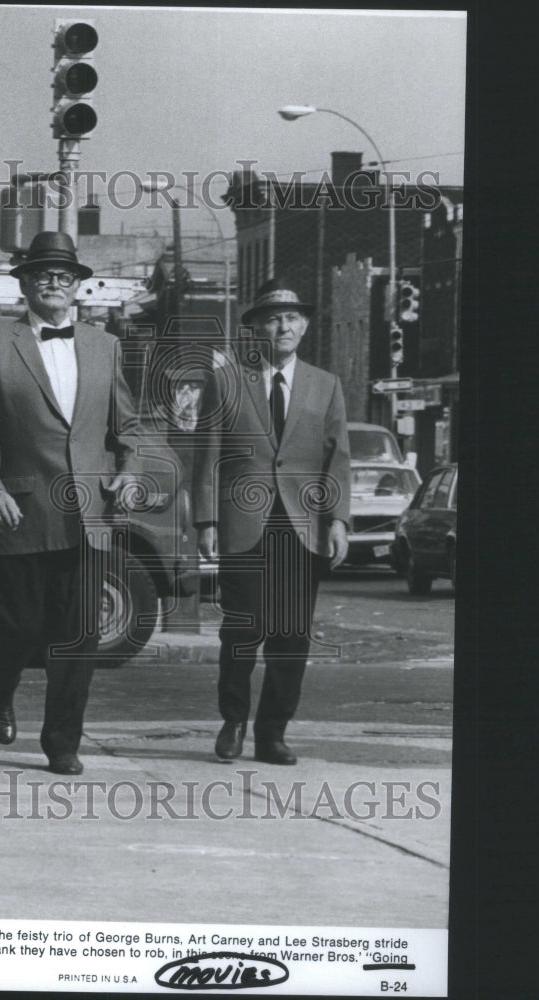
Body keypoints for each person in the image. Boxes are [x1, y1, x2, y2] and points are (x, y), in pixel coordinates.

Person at [0, 231, 141, 776]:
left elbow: (128, 428)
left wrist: (130, 474)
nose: (54, 284)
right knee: (20, 628)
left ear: (78, 287)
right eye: (43, 275)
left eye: (64, 277)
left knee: (80, 637)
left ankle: (62, 742)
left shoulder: (105, 345)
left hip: (89, 515)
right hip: (21, 512)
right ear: (23, 284)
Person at [194, 278, 351, 765]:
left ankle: (272, 734)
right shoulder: (227, 379)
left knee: (290, 637)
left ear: (303, 326)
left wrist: (339, 521)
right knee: (242, 630)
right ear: (256, 327)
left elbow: (337, 459)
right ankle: (234, 720)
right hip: (243, 523)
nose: (282, 326)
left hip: (303, 528)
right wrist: (205, 521)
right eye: (272, 318)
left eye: (291, 318)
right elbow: (208, 455)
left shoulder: (325, 385)